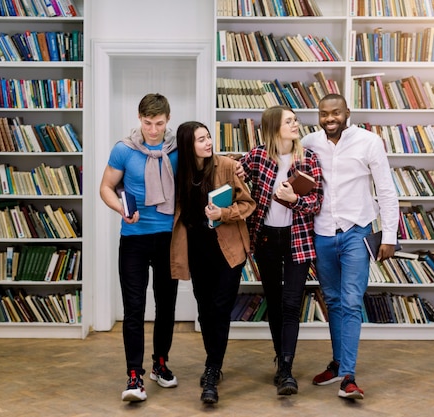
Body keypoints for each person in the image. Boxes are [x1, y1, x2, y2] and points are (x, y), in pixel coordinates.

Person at [302, 94, 399, 400]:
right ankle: (337, 363)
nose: (329, 118)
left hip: (357, 232)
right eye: (323, 113)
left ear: (347, 113)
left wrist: (389, 237)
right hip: (323, 233)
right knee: (332, 301)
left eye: (335, 113)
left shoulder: (369, 142)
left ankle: (349, 377)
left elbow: (386, 190)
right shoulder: (309, 142)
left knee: (351, 302)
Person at [99, 93, 179, 402]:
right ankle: (135, 376)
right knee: (134, 309)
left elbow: (202, 172)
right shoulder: (124, 149)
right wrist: (120, 209)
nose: (154, 130)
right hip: (133, 238)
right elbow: (106, 187)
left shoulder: (177, 150)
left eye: (159, 123)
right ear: (139, 118)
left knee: (166, 306)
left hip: (168, 238)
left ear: (167, 120)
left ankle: (160, 364)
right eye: (148, 123)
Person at [170, 121, 256, 404]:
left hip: (228, 250)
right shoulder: (178, 172)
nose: (208, 143)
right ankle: (214, 363)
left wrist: (224, 213)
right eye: (201, 139)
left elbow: (248, 204)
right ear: (187, 145)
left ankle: (212, 370)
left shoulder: (227, 167)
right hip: (196, 251)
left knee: (220, 308)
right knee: (205, 311)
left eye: (209, 137)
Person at [240, 105, 323, 396]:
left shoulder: (308, 158)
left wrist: (294, 200)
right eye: (289, 121)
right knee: (274, 303)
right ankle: (281, 362)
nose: (296, 124)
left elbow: (317, 203)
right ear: (275, 128)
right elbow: (235, 177)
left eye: (295, 120)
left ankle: (286, 369)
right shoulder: (257, 156)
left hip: (297, 239)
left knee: (291, 304)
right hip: (266, 240)